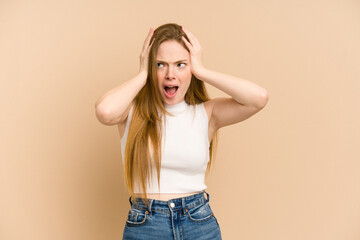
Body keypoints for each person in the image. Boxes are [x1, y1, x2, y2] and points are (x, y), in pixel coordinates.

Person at [95, 23, 268, 240]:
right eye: (160, 65)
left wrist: (202, 70)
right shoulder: (132, 112)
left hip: (198, 222)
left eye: (180, 64)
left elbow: (258, 98)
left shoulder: (207, 113)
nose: (170, 74)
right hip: (147, 225)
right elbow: (105, 111)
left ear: (191, 69)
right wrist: (142, 73)